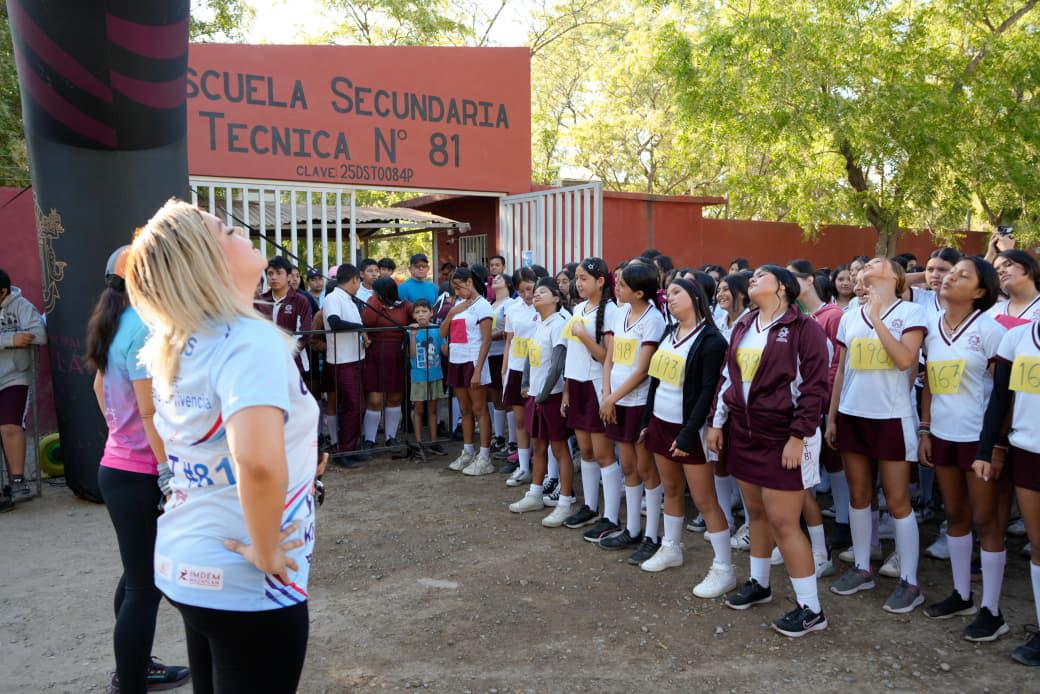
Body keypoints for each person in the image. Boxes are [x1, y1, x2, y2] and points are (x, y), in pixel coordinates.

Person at [125, 199, 319, 694]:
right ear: (206, 262)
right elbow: (254, 460)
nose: (242, 233)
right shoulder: (248, 340)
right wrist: (268, 547)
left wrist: (298, 462)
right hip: (246, 579)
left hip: (187, 562)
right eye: (227, 231)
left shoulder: (182, 338)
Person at [85, 248, 190, 693]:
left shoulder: (113, 322)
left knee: (135, 577)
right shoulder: (146, 328)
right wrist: (165, 469)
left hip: (119, 466)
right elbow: (149, 412)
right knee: (145, 587)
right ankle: (130, 682)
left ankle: (135, 667)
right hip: (142, 472)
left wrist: (118, 434)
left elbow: (97, 385)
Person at [709, 265, 830, 637]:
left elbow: (815, 388)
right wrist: (718, 421)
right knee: (756, 512)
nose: (753, 280)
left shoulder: (805, 329)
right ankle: (760, 584)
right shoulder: (744, 325)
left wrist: (798, 436)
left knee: (783, 522)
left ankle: (812, 609)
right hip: (745, 431)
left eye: (762, 275)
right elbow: (729, 376)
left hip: (784, 435)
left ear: (783, 287)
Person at [827, 257, 928, 614]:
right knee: (859, 495)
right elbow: (841, 369)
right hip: (853, 414)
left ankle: (910, 580)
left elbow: (904, 360)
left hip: (891, 415)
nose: (870, 264)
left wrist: (877, 318)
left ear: (896, 277)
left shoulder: (911, 314)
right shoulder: (849, 316)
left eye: (878, 262)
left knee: (898, 500)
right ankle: (862, 568)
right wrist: (832, 415)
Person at [918, 257, 1009, 640]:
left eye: (961, 275)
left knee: (986, 521)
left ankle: (992, 609)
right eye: (949, 274)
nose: (949, 277)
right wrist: (925, 429)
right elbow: (930, 384)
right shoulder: (932, 330)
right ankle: (961, 594)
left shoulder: (990, 330)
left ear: (980, 291)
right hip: (942, 435)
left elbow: (1004, 394)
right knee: (955, 515)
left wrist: (996, 445)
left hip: (978, 439)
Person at [637, 278, 732, 596]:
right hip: (660, 422)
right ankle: (671, 547)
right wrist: (647, 420)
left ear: (696, 297)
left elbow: (708, 392)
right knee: (672, 490)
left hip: (689, 428)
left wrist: (691, 433)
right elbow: (655, 380)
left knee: (705, 500)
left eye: (677, 292)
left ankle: (724, 568)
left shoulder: (711, 341)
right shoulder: (670, 332)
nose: (669, 298)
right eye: (669, 293)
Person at [974, 314, 1040, 665]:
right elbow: (1000, 399)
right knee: (1038, 543)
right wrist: (988, 449)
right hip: (1029, 450)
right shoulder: (1018, 337)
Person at [598, 261, 668, 561]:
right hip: (616, 400)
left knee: (645, 468)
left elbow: (642, 370)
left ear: (640, 292)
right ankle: (632, 529)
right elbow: (610, 357)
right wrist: (606, 395)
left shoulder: (653, 320)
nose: (617, 287)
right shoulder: (619, 311)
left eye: (623, 285)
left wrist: (612, 398)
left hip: (637, 402)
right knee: (627, 466)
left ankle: (652, 534)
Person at [559, 259, 624, 543]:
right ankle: (590, 506)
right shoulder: (577, 308)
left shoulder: (610, 311)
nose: (578, 283)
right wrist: (565, 392)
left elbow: (605, 356)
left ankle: (611, 516)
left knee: (603, 453)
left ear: (600, 281)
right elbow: (572, 356)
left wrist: (584, 336)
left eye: (584, 278)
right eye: (576, 278)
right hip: (577, 385)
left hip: (597, 386)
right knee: (585, 450)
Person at [508, 277, 576, 524]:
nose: (536, 295)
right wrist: (526, 384)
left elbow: (558, 363)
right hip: (536, 395)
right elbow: (529, 354)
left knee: (559, 449)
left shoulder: (559, 323)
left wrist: (544, 394)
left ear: (557, 298)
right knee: (539, 445)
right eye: (535, 292)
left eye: (543, 292)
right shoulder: (540, 321)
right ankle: (535, 493)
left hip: (552, 395)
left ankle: (565, 502)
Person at [441, 266, 495, 475]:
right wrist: (453, 311)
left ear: (470, 283)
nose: (457, 292)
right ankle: (468, 451)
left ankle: (484, 456)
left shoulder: (483, 306)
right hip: (457, 360)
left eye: (459, 287)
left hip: (474, 361)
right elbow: (443, 332)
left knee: (480, 409)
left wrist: (478, 371)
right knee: (465, 410)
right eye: (454, 288)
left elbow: (486, 340)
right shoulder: (457, 304)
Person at [0, 267, 46, 501]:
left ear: (2, 292)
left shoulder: (22, 306)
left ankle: (17, 481)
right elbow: (18, 339)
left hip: (15, 375)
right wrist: (11, 340)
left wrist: (22, 338)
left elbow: (39, 334)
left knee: (9, 425)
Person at [360, 277, 413, 452]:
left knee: (394, 398)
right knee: (375, 399)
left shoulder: (405, 306)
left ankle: (391, 437)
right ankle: (369, 439)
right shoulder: (373, 303)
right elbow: (367, 321)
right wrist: (374, 300)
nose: (373, 293)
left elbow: (420, 315)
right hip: (375, 355)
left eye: (376, 291)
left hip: (397, 356)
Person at [324, 264, 368, 463]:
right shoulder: (333, 298)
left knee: (357, 405)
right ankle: (344, 450)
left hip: (355, 357)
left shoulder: (349, 300)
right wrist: (358, 327)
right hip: (342, 360)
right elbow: (334, 322)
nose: (358, 285)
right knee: (353, 406)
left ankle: (351, 446)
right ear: (353, 279)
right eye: (358, 281)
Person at [501, 268, 538, 487]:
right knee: (521, 420)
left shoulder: (545, 307)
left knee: (536, 421)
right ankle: (523, 467)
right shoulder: (512, 309)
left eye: (531, 289)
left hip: (536, 368)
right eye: (523, 290)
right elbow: (509, 340)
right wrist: (504, 368)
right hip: (516, 368)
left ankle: (540, 465)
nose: (528, 294)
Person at [256, 256, 313, 378]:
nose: (274, 277)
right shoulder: (261, 301)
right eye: (270, 273)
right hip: (265, 365)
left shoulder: (301, 301)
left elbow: (303, 334)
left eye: (279, 273)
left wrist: (283, 355)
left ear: (288, 277)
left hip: (294, 364)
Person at [409, 299, 447, 456]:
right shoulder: (410, 331)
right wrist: (412, 335)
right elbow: (410, 354)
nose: (421, 315)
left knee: (432, 409)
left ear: (431, 313)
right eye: (417, 312)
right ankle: (419, 442)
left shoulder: (437, 329)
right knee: (418, 409)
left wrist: (446, 334)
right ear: (413, 315)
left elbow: (444, 351)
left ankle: (434, 441)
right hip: (418, 375)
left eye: (424, 311)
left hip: (435, 373)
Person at [488, 272, 517, 460]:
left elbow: (508, 331)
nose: (495, 280)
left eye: (499, 278)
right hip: (490, 353)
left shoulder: (510, 304)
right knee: (496, 397)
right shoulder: (491, 304)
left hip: (501, 353)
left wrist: (488, 337)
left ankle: (513, 440)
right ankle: (498, 436)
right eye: (494, 279)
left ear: (507, 284)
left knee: (507, 400)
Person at [989, 249, 1040, 328]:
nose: (1001, 271)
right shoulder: (991, 312)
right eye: (996, 270)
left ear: (1027, 266)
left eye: (1008, 265)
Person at [715, 273, 751, 343]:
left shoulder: (752, 323)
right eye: (718, 291)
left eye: (726, 289)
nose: (720, 294)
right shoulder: (717, 324)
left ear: (742, 293)